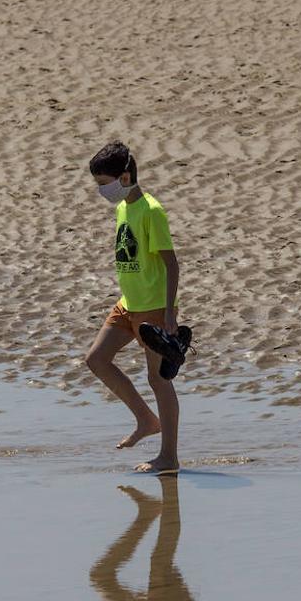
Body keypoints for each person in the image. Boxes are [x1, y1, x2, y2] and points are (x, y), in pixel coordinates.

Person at [84, 141, 184, 475]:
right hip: (128, 305)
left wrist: (169, 312)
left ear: (124, 176)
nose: (101, 191)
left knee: (159, 381)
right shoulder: (123, 207)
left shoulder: (151, 211)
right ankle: (145, 419)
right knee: (96, 360)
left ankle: (169, 457)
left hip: (154, 309)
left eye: (104, 184)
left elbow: (172, 264)